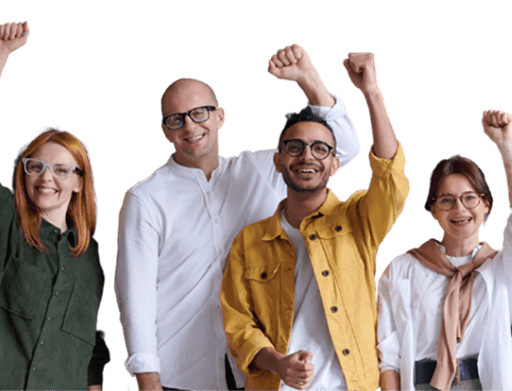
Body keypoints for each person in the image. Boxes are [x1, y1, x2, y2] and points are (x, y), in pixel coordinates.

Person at [116, 43, 361, 391]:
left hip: (261, 373)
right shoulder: (145, 197)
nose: (189, 126)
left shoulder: (264, 168)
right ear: (165, 130)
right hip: (180, 376)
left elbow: (343, 149)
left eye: (200, 112)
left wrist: (311, 83)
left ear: (220, 117)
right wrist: (147, 379)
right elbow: (134, 294)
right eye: (176, 119)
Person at [220, 51, 407, 391]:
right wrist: (278, 363)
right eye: (296, 147)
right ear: (278, 161)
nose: (307, 155)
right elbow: (237, 325)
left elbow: (390, 178)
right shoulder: (249, 242)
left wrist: (372, 93)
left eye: (321, 149)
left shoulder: (359, 221)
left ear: (335, 165)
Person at [0, 21, 110, 390]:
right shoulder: (3, 220)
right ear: (22, 173)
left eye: (59, 169)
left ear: (78, 181)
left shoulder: (89, 257)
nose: (45, 178)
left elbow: (89, 339)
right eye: (34, 166)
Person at [377, 109, 512, 391]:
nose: (460, 209)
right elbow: (387, 354)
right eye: (447, 200)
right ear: (432, 209)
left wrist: (508, 148)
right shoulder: (404, 268)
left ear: (487, 204)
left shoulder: (503, 268)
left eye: (469, 198)